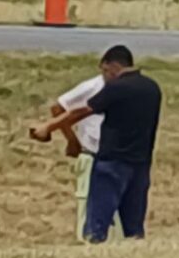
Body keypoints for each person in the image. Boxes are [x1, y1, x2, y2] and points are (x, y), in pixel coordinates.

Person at [30, 45, 162, 243]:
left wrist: (48, 126)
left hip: (112, 162)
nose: (104, 77)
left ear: (113, 66)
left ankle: (93, 253)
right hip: (140, 163)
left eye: (105, 72)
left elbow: (81, 111)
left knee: (96, 225)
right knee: (133, 227)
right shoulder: (152, 88)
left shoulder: (117, 88)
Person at [37, 70, 121, 242]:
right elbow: (59, 107)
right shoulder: (92, 87)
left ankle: (116, 244)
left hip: (119, 156)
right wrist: (72, 140)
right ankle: (87, 241)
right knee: (88, 204)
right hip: (92, 153)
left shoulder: (128, 89)